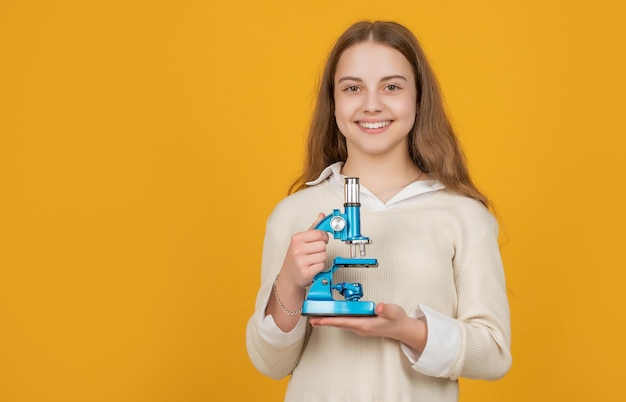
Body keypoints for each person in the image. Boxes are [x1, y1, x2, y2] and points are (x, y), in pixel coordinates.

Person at [246, 20, 511, 401]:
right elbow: (271, 363)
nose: (372, 103)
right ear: (333, 103)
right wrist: (288, 282)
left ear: (418, 100)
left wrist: (407, 329)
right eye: (353, 88)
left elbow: (495, 355)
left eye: (391, 86)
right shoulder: (294, 213)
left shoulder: (464, 217)